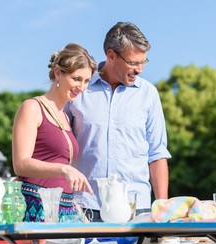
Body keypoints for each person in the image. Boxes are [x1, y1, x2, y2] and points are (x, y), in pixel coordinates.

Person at [66, 22, 171, 222]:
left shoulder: (148, 94)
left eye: (144, 62)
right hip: (86, 207)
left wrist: (162, 210)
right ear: (111, 55)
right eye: (133, 63)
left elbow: (157, 153)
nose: (140, 69)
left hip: (136, 209)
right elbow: (61, 148)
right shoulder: (79, 89)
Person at [12, 43, 97, 223]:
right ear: (58, 73)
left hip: (66, 211)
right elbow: (20, 164)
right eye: (76, 79)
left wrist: (78, 212)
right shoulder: (32, 108)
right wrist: (64, 169)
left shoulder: (65, 117)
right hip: (35, 209)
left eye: (86, 81)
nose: (81, 87)